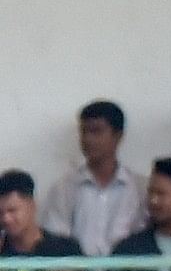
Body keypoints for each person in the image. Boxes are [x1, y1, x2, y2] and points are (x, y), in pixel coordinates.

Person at [40, 100, 145, 257]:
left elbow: (145, 239)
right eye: (83, 132)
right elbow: (56, 240)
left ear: (118, 136)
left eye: (96, 131)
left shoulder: (140, 188)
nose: (88, 139)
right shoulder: (63, 188)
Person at [1, 170, 85, 271]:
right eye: (0, 213)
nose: (6, 219)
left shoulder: (64, 249)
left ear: (32, 206)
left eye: (12, 211)